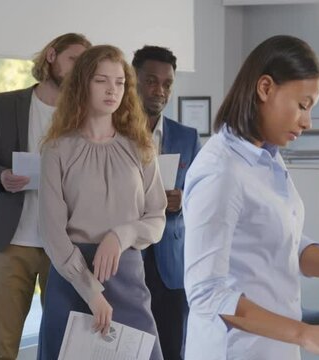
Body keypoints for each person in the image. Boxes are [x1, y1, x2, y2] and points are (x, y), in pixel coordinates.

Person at [183, 35, 319, 360]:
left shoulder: (267, 156)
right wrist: (304, 333)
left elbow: (287, 244)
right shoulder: (221, 172)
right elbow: (206, 292)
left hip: (276, 346)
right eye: (302, 105)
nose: (307, 121)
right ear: (265, 88)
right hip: (237, 351)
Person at [37, 45, 167, 360]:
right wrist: (92, 292)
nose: (112, 90)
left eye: (120, 82)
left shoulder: (140, 147)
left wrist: (119, 235)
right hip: (71, 281)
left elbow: (157, 218)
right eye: (101, 81)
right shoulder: (57, 150)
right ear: (83, 84)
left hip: (127, 279)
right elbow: (52, 234)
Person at [0, 32, 90, 360]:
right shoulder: (3, 104)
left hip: (64, 245)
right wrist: (1, 177)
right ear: (51, 55)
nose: (79, 71)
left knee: (63, 344)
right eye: (73, 60)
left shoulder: (85, 116)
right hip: (12, 242)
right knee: (2, 345)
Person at [132, 45, 201, 360]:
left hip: (170, 263)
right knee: (128, 347)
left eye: (167, 83)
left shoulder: (187, 137)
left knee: (172, 348)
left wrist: (184, 200)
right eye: (150, 80)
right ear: (133, 80)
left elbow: (203, 195)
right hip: (124, 256)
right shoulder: (111, 133)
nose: (159, 90)